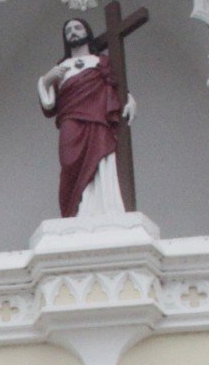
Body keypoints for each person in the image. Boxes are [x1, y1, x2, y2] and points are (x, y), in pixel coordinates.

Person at [36, 15, 138, 220]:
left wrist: (130, 99)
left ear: (87, 32)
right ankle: (75, 210)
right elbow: (49, 105)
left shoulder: (101, 62)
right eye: (68, 30)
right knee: (69, 163)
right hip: (71, 120)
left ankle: (98, 207)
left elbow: (114, 85)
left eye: (78, 28)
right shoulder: (61, 67)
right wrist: (46, 80)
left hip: (98, 120)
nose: (73, 32)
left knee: (100, 159)